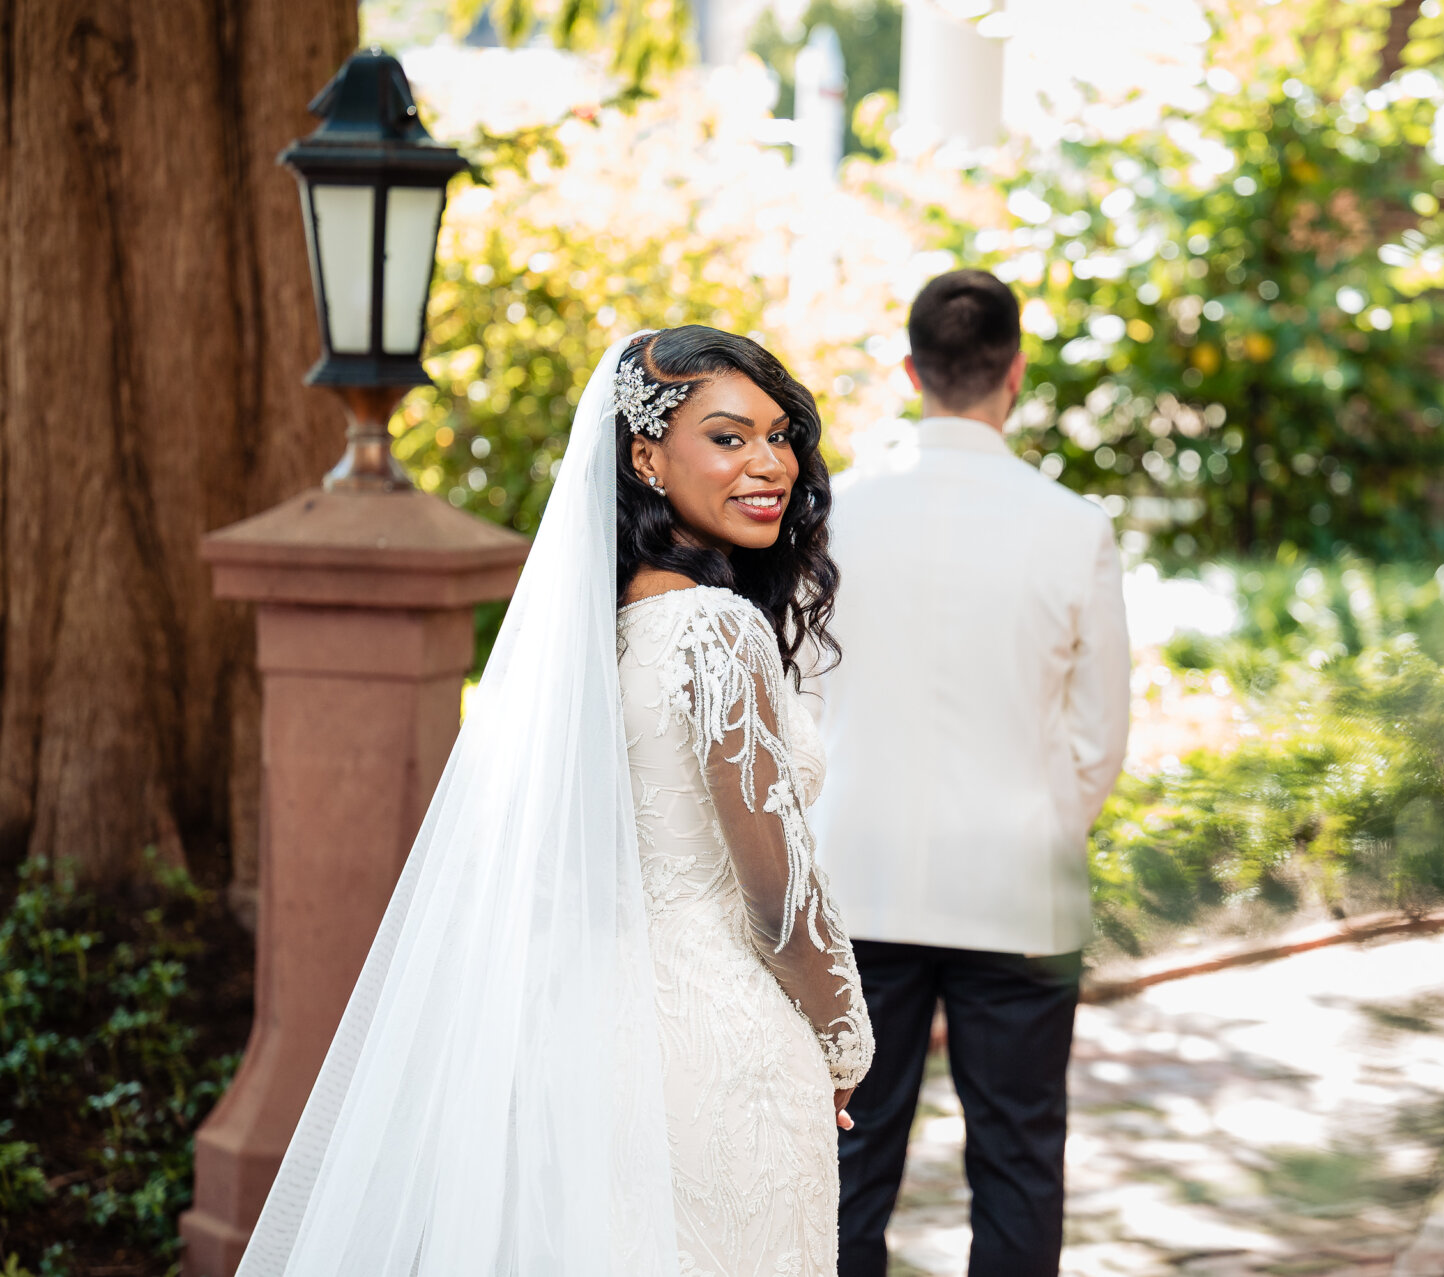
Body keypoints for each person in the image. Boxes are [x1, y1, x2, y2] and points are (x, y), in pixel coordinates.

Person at [234, 328, 872, 1277]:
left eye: (780, 436)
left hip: (593, 1033)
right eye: (730, 438)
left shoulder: (596, 637)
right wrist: (843, 1040)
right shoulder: (716, 629)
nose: (770, 462)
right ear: (646, 457)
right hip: (717, 1044)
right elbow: (779, 899)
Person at [812, 270, 1132, 1277]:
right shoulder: (1074, 523)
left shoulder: (832, 514)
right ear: (1016, 374)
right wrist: (1042, 820)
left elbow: (798, 700)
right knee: (1021, 1162)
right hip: (1017, 884)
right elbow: (1100, 735)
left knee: (848, 1162)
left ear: (911, 370)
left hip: (860, 875)